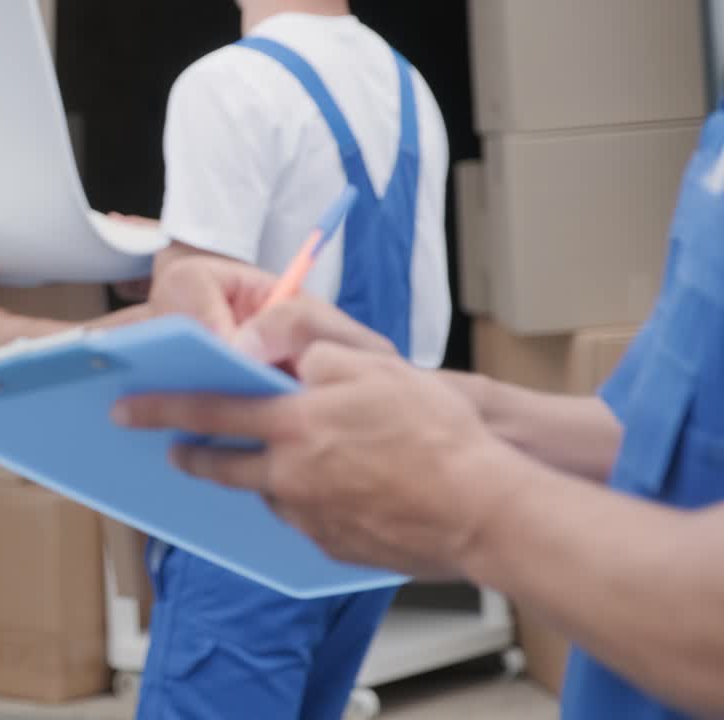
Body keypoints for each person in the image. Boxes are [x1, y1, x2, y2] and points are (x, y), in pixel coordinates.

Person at [0, 1, 450, 717]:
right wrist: (177, 255)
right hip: (371, 514)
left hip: (254, 512)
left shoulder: (229, 85)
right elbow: (353, 292)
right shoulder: (407, 87)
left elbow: (186, 340)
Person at [114, 93, 724, 718]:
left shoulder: (221, 92)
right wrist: (411, 396)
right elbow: (655, 437)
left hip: (253, 530)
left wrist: (470, 503)